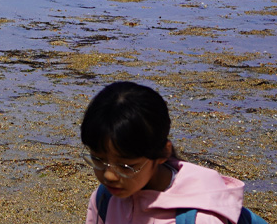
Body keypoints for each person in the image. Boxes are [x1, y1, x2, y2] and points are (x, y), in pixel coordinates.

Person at [81, 81, 252, 224]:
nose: (109, 176)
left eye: (126, 166)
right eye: (98, 159)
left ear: (162, 153)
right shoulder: (104, 199)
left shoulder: (200, 219)